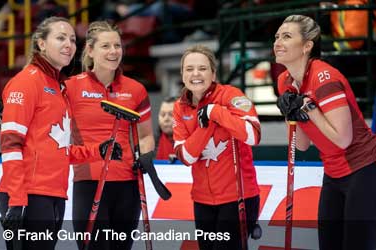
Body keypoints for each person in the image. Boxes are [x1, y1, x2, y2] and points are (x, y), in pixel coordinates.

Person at [0, 16, 122, 250]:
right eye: (61, 38)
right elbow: (11, 144)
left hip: (54, 194)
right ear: (42, 44)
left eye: (73, 39)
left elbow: (58, 149)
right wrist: (16, 200)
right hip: (27, 195)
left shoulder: (59, 87)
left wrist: (98, 150)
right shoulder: (26, 82)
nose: (69, 44)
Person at [275, 15, 376, 250]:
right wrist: (292, 114)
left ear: (307, 45)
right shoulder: (285, 81)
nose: (278, 42)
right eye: (277, 36)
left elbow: (343, 139)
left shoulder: (325, 77)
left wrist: (307, 107)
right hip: (332, 173)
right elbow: (301, 145)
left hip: (364, 168)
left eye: (287, 36)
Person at [65, 20, 155, 250]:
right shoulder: (71, 88)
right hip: (89, 182)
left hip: (127, 184)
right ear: (91, 50)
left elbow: (145, 136)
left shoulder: (136, 89)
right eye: (106, 46)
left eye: (117, 45)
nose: (114, 51)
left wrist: (145, 156)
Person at [173, 44, 261, 249]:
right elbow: (186, 157)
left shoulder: (230, 95)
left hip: (238, 197)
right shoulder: (180, 106)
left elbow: (253, 135)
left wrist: (216, 112)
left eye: (203, 68)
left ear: (213, 73)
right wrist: (208, 124)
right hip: (202, 200)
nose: (196, 74)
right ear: (182, 74)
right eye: (189, 69)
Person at [156, 96, 177, 161]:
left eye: (171, 114)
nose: (166, 119)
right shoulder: (151, 145)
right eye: (162, 114)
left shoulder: (191, 146)